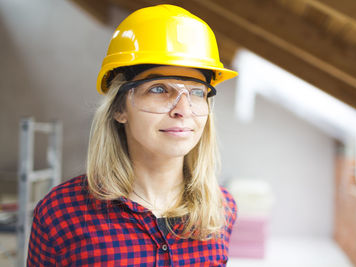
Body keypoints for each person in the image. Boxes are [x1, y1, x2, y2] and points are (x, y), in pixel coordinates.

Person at [27, 4, 238, 266]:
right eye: (159, 89)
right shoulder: (60, 213)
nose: (183, 110)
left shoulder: (222, 208)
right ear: (119, 108)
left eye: (197, 92)